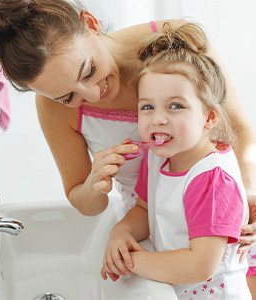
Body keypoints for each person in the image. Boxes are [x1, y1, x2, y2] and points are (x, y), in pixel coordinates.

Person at [0, 0, 256, 294]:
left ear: (91, 24)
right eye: (68, 97)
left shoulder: (174, 45)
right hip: (155, 230)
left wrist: (246, 196)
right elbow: (84, 197)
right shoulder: (154, 162)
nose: (93, 95)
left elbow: (237, 129)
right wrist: (95, 185)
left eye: (88, 70)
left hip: (221, 223)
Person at [100, 21, 251, 299]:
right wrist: (120, 233)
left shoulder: (212, 178)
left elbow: (200, 265)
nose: (158, 118)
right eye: (147, 106)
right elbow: (145, 208)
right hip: (173, 288)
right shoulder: (160, 156)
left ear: (209, 117)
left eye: (175, 106)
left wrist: (131, 261)